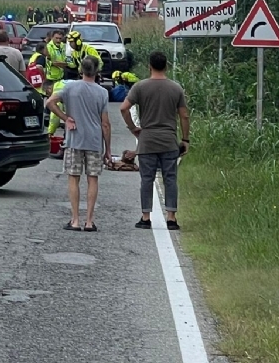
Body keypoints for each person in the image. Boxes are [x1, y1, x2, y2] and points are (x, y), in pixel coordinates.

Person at [120, 51, 190, 230]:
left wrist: (133, 128)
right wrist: (185, 139)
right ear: (166, 66)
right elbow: (184, 116)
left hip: (147, 140)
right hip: (168, 140)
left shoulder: (140, 87)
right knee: (170, 178)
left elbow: (124, 109)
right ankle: (171, 217)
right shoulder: (176, 88)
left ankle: (145, 217)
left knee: (146, 179)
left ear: (149, 66)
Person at [46, 57, 111, 231]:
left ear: (81, 70)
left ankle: (74, 219)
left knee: (73, 178)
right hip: (95, 141)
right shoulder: (102, 93)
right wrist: (108, 149)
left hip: (74, 139)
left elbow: (50, 102)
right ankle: (89, 221)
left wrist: (66, 118)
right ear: (97, 71)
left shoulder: (69, 88)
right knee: (92, 179)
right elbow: (105, 124)